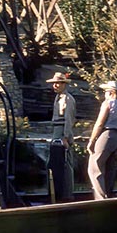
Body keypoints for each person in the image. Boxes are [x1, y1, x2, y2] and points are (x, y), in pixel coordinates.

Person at [86, 80, 117, 200]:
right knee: (110, 167)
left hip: (108, 136)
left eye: (105, 91)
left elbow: (99, 124)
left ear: (111, 92)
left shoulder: (108, 103)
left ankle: (101, 199)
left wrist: (92, 141)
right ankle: (109, 194)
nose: (104, 94)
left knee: (94, 166)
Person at [46, 71, 76, 202]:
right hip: (56, 131)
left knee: (66, 164)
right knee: (53, 163)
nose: (55, 85)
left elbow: (69, 120)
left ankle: (67, 194)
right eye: (54, 83)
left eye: (57, 83)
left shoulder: (68, 99)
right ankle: (56, 193)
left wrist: (66, 137)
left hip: (63, 132)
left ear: (64, 84)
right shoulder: (58, 98)